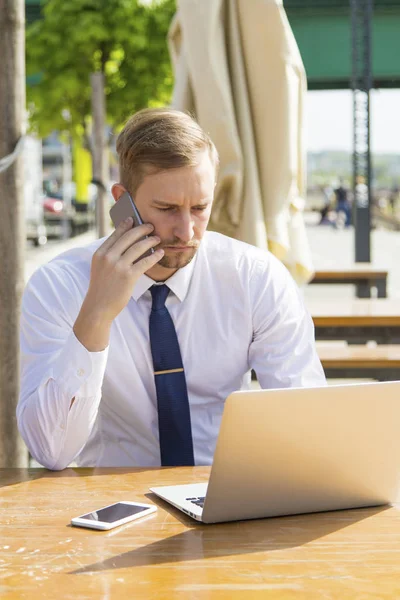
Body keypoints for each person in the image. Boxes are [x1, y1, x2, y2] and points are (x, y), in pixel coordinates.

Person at [17, 108, 326, 471]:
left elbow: (306, 422)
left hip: (227, 489)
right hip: (108, 499)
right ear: (122, 201)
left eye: (199, 207)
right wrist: (96, 316)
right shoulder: (58, 285)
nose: (187, 231)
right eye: (166, 209)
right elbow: (51, 451)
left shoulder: (255, 277)